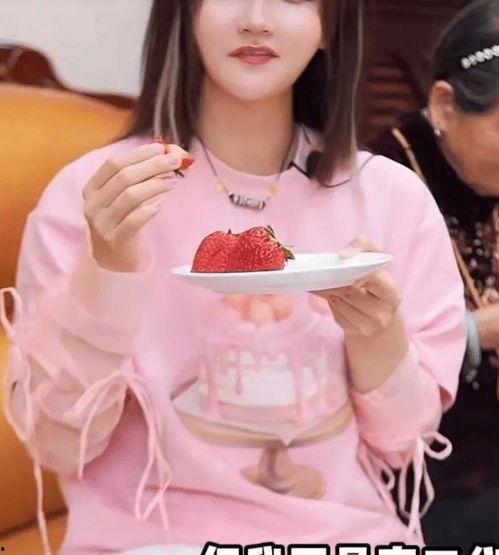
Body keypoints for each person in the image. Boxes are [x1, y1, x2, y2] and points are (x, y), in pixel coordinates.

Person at [0, 1, 465, 554]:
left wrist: (376, 332)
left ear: (329, 25)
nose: (256, 18)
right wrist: (109, 267)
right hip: (150, 542)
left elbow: (402, 445)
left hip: (344, 539)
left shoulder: (393, 199)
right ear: (184, 14)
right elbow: (59, 445)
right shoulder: (97, 195)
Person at [368, 0, 499, 548]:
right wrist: (475, 332)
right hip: (419, 472)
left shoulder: (485, 177)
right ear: (444, 106)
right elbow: (353, 359)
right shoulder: (379, 188)